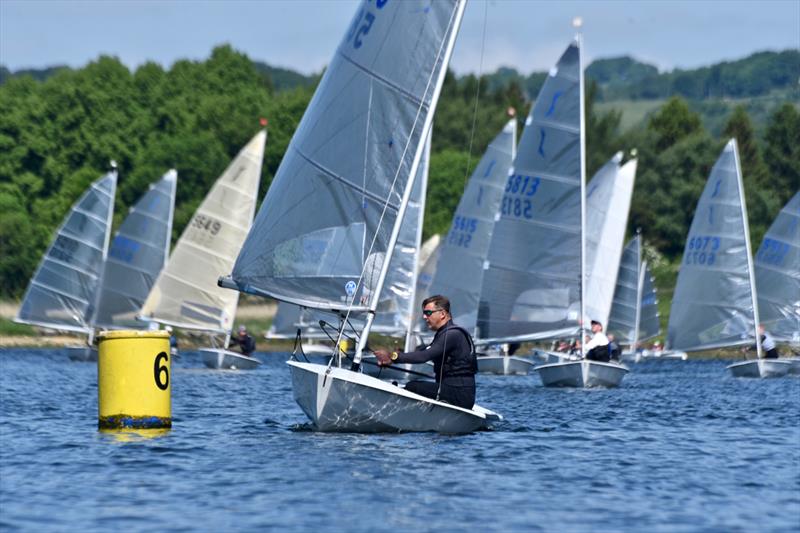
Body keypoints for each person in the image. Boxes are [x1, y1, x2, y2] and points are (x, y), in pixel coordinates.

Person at [374, 295, 476, 409]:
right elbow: (423, 352)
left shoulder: (453, 335)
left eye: (428, 313)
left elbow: (424, 356)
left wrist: (393, 357)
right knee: (411, 386)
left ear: (442, 314)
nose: (424, 317)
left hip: (459, 395)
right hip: (451, 391)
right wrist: (393, 358)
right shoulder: (443, 333)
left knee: (413, 386)